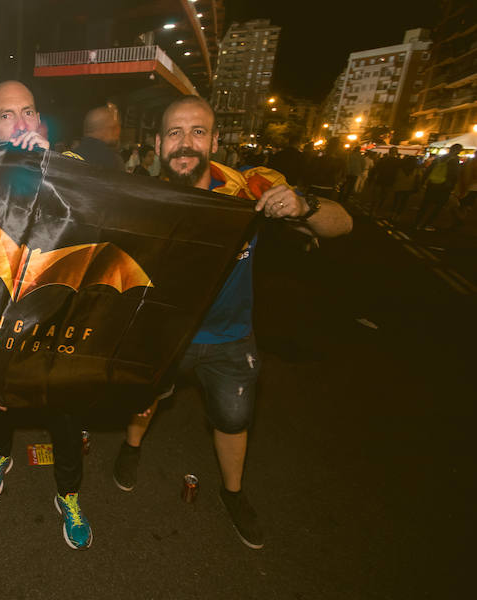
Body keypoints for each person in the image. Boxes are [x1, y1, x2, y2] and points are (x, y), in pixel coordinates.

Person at [112, 96, 352, 550]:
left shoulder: (250, 192)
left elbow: (342, 225)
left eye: (198, 131)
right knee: (144, 401)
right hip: (165, 335)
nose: (186, 143)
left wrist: (302, 206)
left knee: (234, 418)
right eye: (176, 133)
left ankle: (234, 493)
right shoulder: (143, 198)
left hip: (229, 338)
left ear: (215, 140)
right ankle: (131, 447)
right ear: (159, 143)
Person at [0, 80, 92, 550]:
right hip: (1, 315)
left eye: (28, 111)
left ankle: (68, 494)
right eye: (7, 115)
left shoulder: (71, 166)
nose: (21, 123)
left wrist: (54, 166)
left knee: (64, 416)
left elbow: (99, 208)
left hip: (60, 317)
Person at [414, 144, 463, 231]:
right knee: (438, 206)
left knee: (425, 204)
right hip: (444, 186)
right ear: (458, 150)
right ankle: (427, 224)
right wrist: (452, 186)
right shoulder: (455, 160)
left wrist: (423, 181)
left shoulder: (440, 158)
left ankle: (416, 222)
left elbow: (429, 170)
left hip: (432, 183)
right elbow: (455, 174)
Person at [69, 104, 124, 171]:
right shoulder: (115, 162)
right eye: (114, 127)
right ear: (105, 130)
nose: (118, 132)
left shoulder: (67, 158)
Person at [390, 156, 419, 225]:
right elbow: (417, 179)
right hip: (408, 187)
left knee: (396, 201)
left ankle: (393, 214)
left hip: (399, 186)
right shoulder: (416, 169)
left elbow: (396, 176)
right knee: (403, 202)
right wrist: (416, 188)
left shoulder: (401, 167)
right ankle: (398, 215)